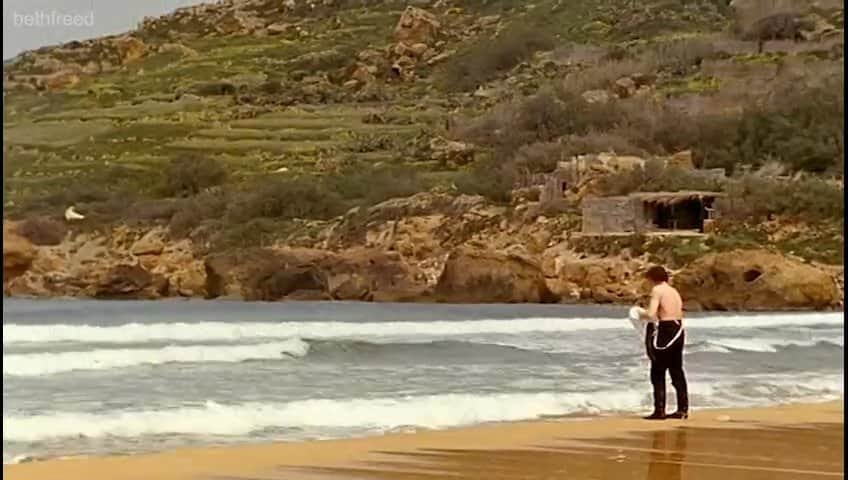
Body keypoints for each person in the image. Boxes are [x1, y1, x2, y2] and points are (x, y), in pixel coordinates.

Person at [639, 265, 688, 420]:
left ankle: (659, 411)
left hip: (665, 331)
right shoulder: (674, 291)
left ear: (652, 278)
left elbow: (652, 313)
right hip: (678, 329)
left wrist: (639, 313)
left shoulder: (657, 290)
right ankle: (683, 409)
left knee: (657, 371)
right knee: (676, 370)